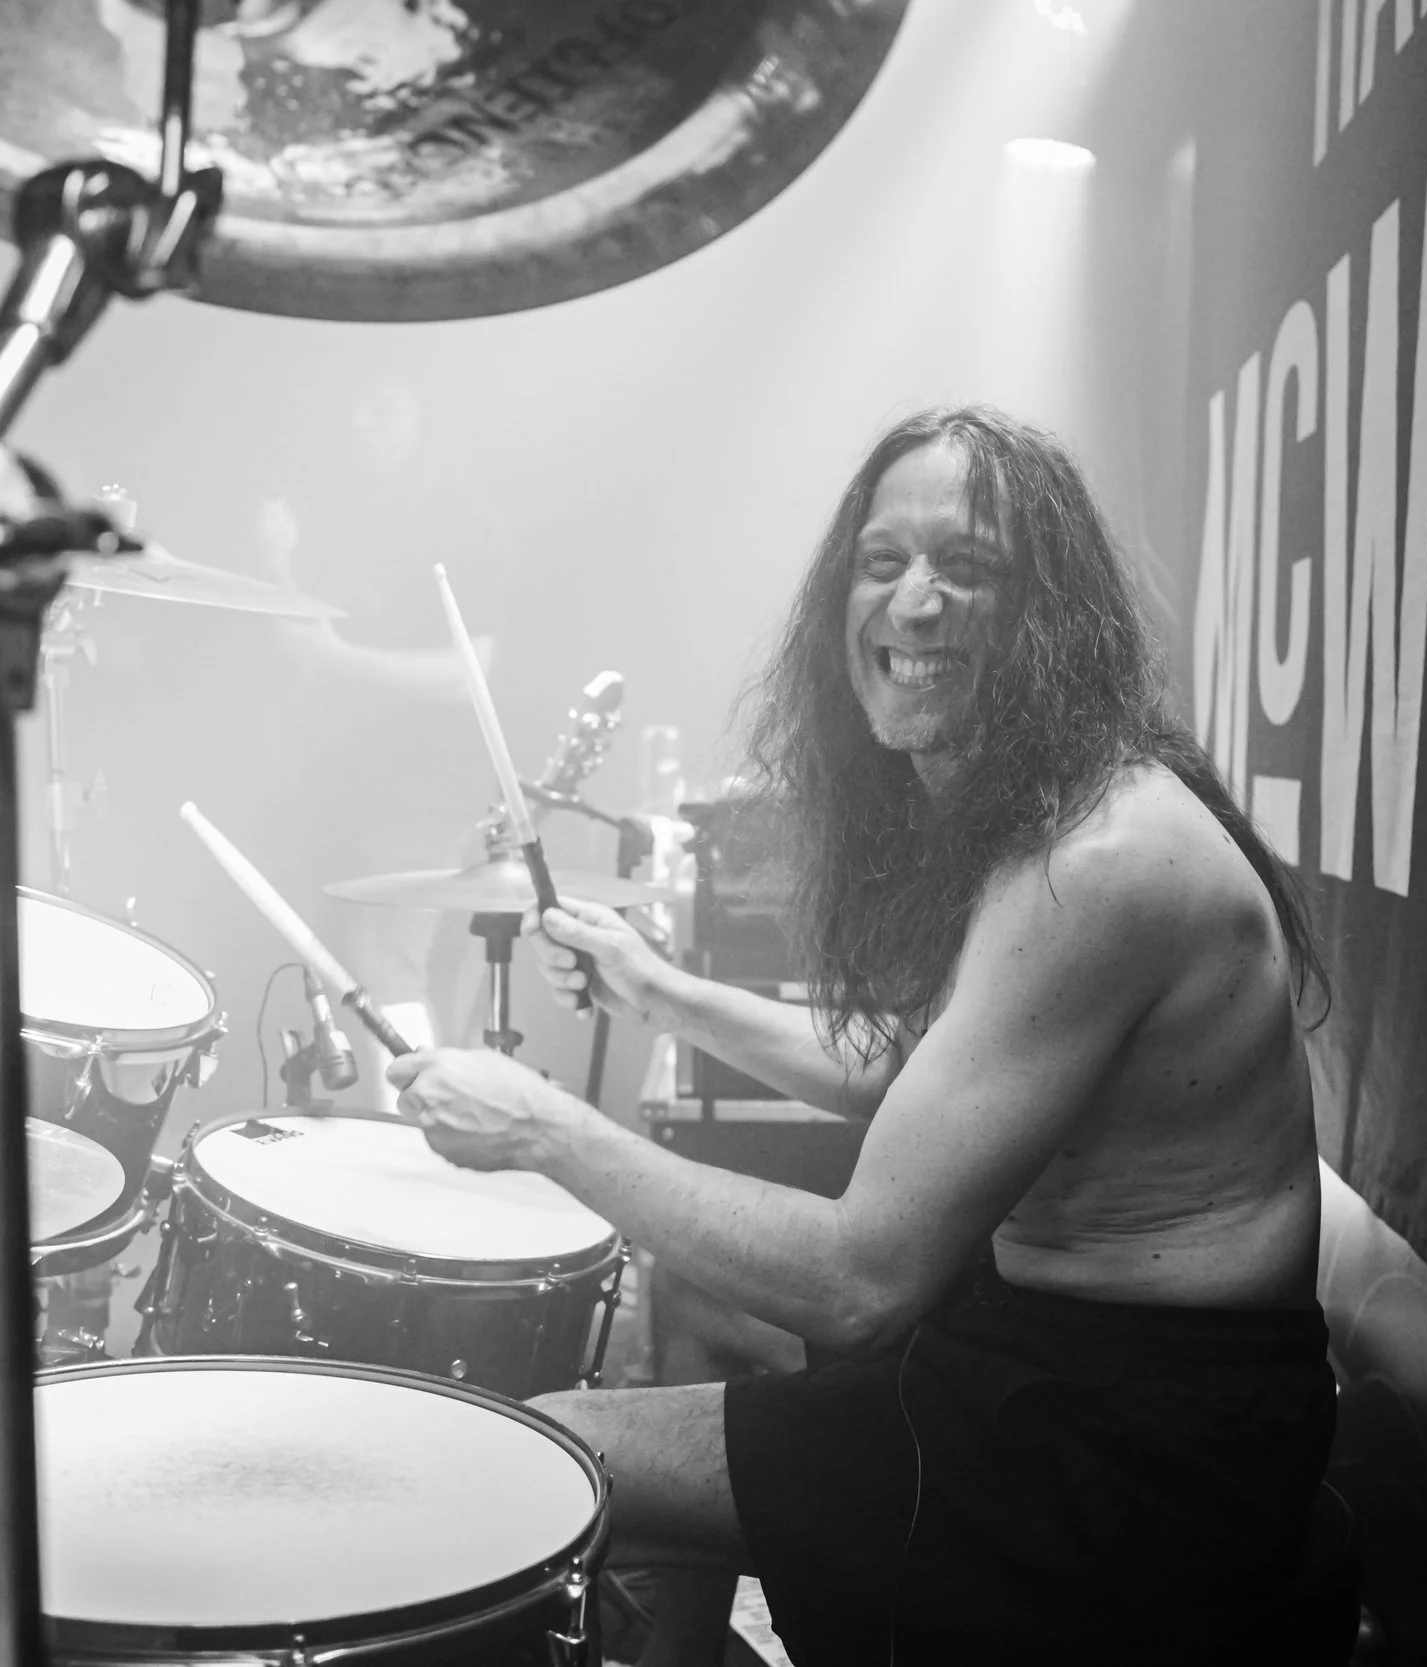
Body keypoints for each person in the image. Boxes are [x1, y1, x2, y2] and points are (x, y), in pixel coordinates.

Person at [383, 407, 1337, 1663]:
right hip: (1066, 1367)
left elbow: (859, 1280)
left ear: (1049, 611)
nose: (914, 603)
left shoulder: (1095, 862)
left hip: (1133, 1457)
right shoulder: (1045, 804)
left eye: (968, 566)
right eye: (881, 563)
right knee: (700, 1317)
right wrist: (662, 988)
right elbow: (921, 1074)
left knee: (548, 1446)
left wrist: (542, 1130)